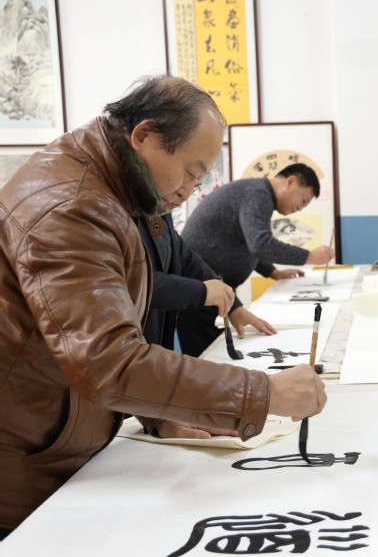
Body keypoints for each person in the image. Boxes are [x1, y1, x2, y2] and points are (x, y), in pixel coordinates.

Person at [0, 75, 326, 538]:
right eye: (191, 171)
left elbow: (111, 322)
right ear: (145, 136)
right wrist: (263, 394)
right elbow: (106, 361)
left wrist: (157, 412)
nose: (191, 188)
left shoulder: (128, 186)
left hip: (69, 442)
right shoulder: (71, 206)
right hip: (26, 467)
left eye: (201, 178)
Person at [177, 163, 335, 356]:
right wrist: (309, 256)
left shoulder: (257, 192)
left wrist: (272, 272)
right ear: (290, 182)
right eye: (303, 200)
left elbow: (246, 241)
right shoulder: (258, 194)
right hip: (200, 290)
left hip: (212, 289)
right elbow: (260, 244)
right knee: (209, 359)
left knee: (219, 357)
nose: (300, 208)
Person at [138, 211, 277, 352]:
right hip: (135, 343)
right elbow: (134, 284)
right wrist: (201, 292)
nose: (182, 199)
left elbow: (186, 258)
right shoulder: (130, 216)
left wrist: (233, 306)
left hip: (154, 335)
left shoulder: (159, 211)